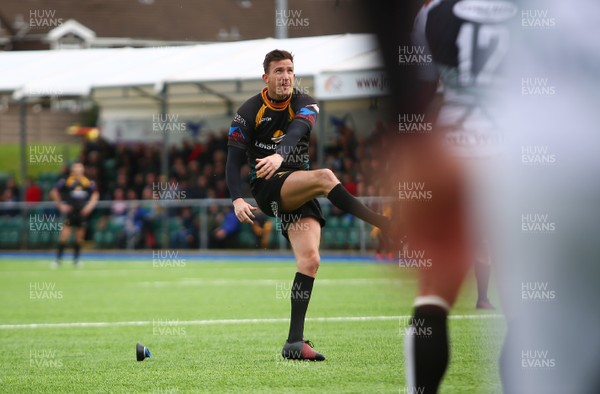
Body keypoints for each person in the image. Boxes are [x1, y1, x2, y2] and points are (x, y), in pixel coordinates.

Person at [225, 49, 391, 361]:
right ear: (266, 77)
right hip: (269, 188)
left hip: (299, 188)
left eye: (289, 70)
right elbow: (232, 163)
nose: (285, 76)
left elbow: (297, 130)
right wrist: (236, 198)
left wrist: (280, 154)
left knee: (310, 262)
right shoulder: (247, 113)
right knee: (327, 177)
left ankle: (293, 343)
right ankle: (384, 223)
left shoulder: (305, 102)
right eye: (278, 71)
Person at [50, 162, 99, 267]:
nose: (78, 170)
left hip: (81, 214)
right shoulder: (66, 181)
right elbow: (54, 192)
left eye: (80, 168)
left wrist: (89, 207)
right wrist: (61, 206)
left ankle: (76, 260)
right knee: (64, 236)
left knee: (79, 238)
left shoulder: (87, 182)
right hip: (70, 214)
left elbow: (95, 194)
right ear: (72, 170)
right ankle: (58, 260)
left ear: (83, 170)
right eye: (76, 168)